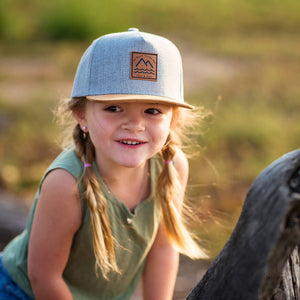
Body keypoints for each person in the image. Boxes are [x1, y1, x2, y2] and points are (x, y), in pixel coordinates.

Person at [0, 28, 207, 300]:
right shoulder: (66, 185)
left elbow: (162, 250)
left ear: (174, 119)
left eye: (152, 110)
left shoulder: (171, 166)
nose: (135, 125)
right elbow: (44, 278)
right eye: (114, 108)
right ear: (81, 114)